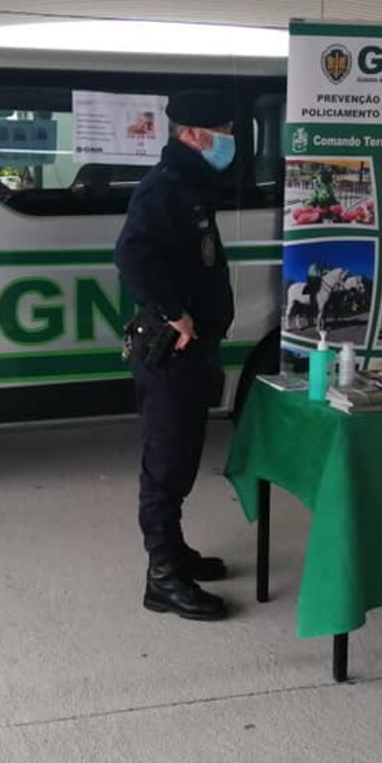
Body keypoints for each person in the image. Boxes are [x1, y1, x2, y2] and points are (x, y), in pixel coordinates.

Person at [114, 90, 235, 621]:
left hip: (195, 350)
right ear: (191, 135)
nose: (229, 140)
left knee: (181, 458)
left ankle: (175, 552)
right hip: (172, 352)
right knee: (165, 465)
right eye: (222, 132)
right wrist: (174, 312)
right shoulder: (162, 188)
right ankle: (162, 578)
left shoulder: (192, 186)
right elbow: (130, 255)